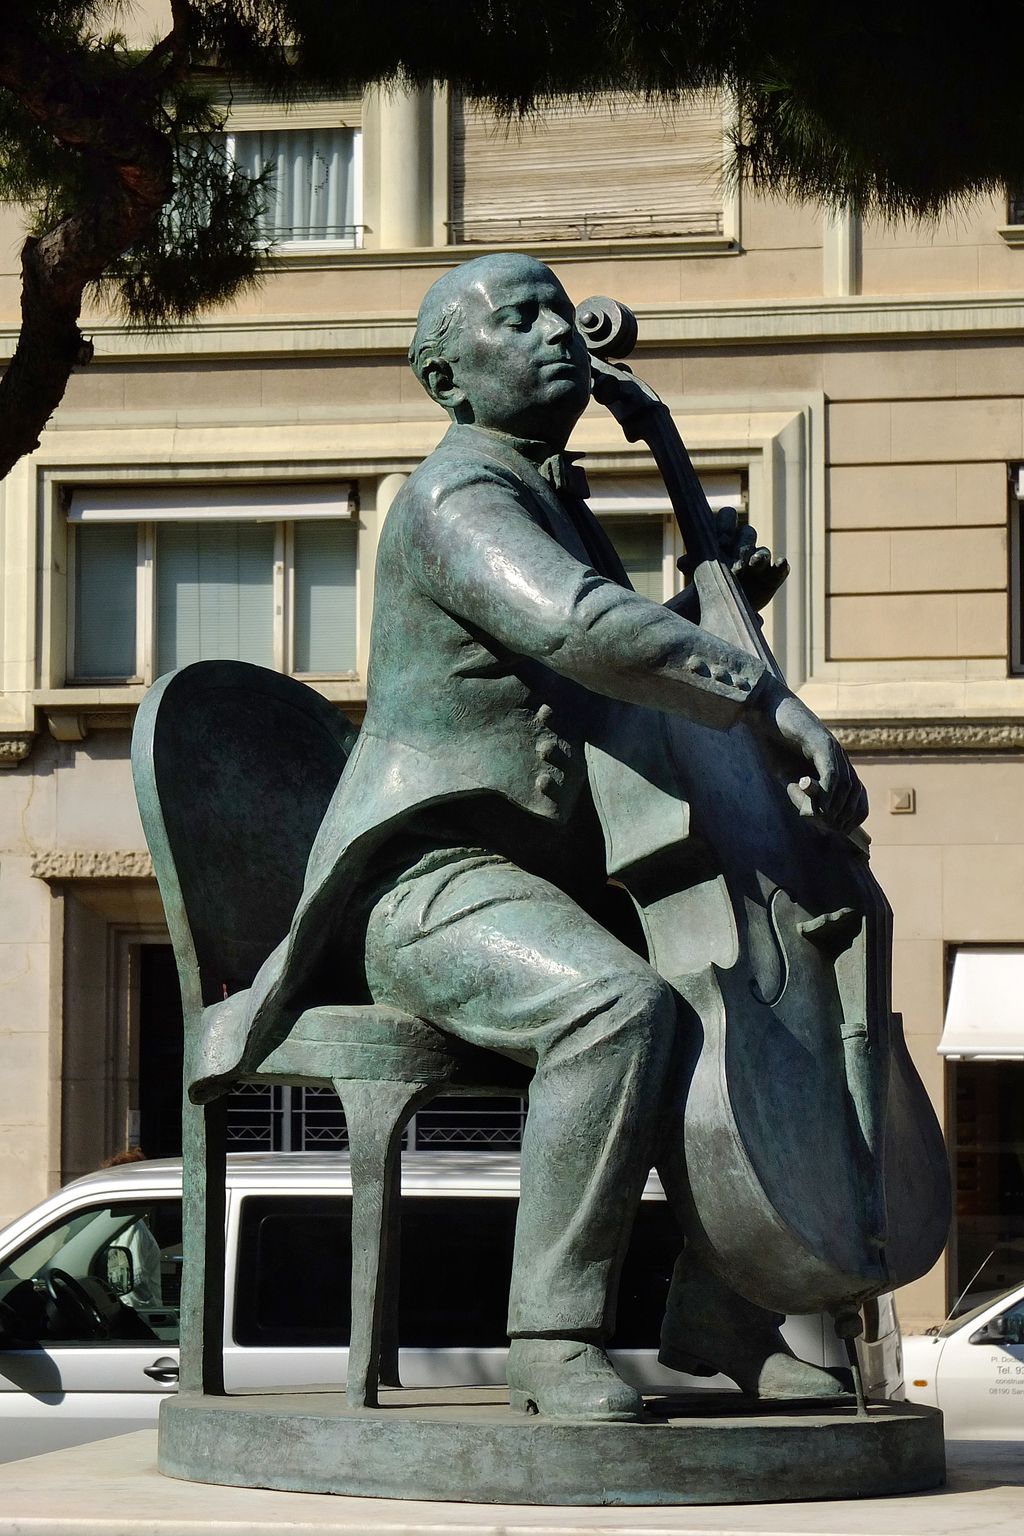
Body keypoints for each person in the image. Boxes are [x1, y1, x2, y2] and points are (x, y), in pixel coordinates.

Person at [192, 252, 867, 1421]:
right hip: (428, 886)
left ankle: (720, 1306)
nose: (558, 332)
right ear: (448, 378)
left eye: (561, 310)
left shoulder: (550, 501)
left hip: (541, 883)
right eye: (522, 319)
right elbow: (581, 629)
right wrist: (759, 696)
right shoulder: (457, 496)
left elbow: (613, 667)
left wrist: (712, 610)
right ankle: (550, 1333)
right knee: (617, 1006)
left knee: (716, 1008)